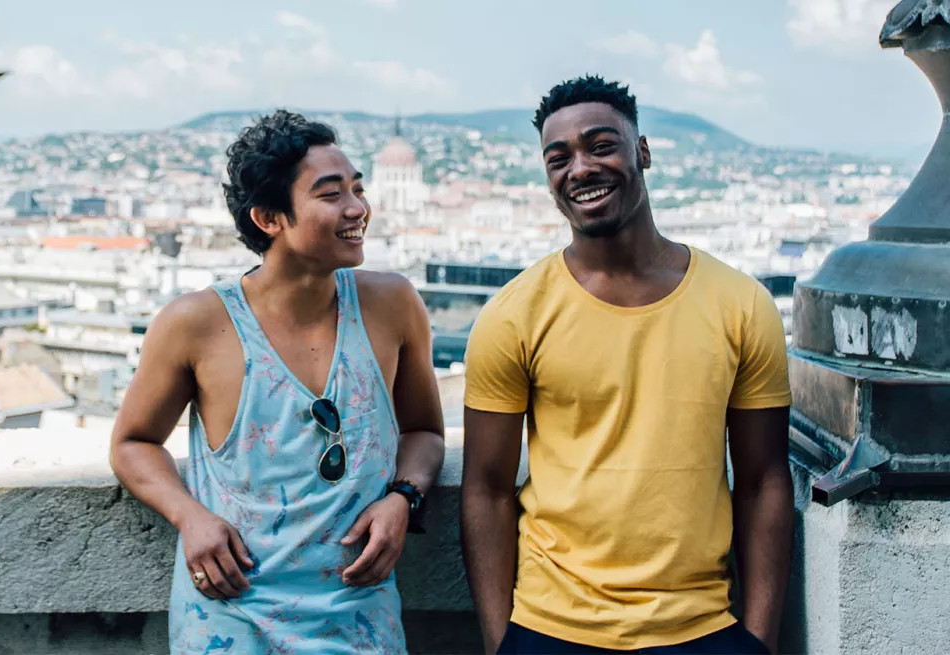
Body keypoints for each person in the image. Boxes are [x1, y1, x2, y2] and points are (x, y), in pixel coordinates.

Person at [460, 76, 793, 654]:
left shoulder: (740, 304)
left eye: (601, 145)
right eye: (558, 157)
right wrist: (500, 645)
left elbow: (764, 480)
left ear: (642, 150)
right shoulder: (513, 315)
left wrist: (758, 643)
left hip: (701, 627)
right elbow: (485, 489)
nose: (580, 168)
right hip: (549, 627)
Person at [109, 110, 445, 654]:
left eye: (358, 188)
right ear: (270, 218)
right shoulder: (197, 322)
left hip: (356, 610)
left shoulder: (393, 304)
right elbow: (132, 443)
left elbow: (425, 431)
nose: (358, 208)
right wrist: (190, 517)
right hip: (233, 611)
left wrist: (404, 498)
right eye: (331, 194)